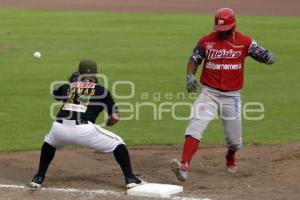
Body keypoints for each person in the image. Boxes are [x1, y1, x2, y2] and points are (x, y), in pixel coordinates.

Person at [171, 8, 275, 181]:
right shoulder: (206, 41)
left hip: (232, 96)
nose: (222, 33)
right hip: (209, 93)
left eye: (225, 30)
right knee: (195, 126)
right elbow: (194, 59)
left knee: (235, 142)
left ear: (233, 27)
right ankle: (184, 166)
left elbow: (262, 54)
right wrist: (190, 76)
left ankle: (230, 156)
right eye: (219, 30)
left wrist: (269, 57)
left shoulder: (245, 41)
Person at [30, 59, 145, 189]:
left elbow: (55, 94)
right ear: (95, 74)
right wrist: (109, 122)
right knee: (118, 143)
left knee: (49, 142)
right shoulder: (102, 90)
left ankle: (38, 177)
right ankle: (130, 178)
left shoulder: (68, 86)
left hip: (59, 128)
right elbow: (115, 116)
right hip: (84, 131)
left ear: (79, 72)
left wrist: (72, 84)